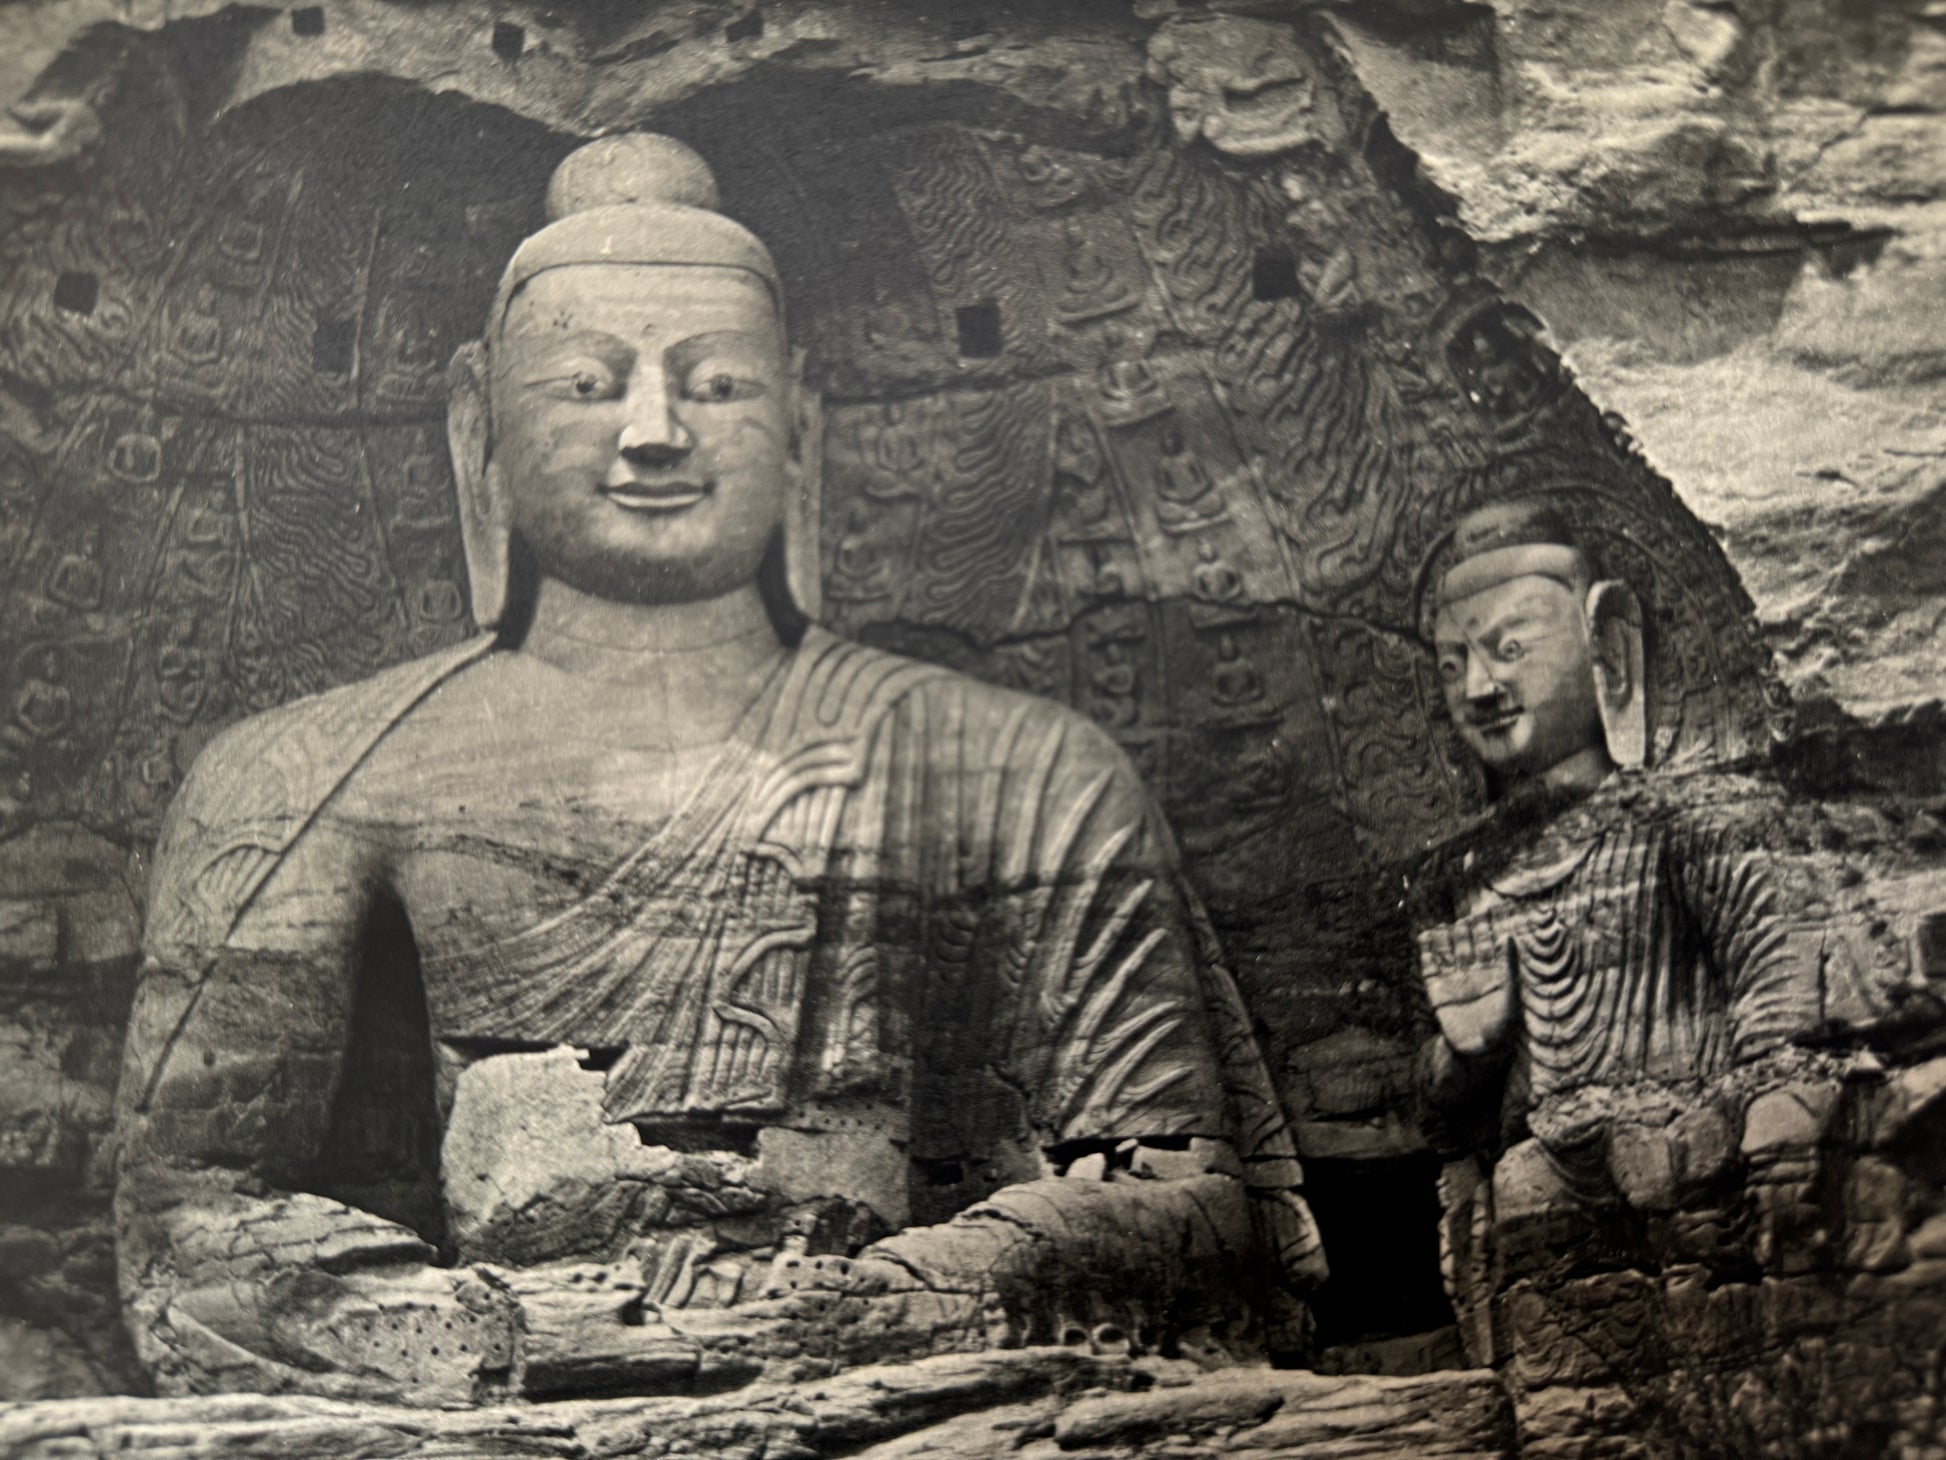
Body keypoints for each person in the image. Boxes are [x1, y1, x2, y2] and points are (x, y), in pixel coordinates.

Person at [112, 135, 1323, 1405]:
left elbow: (1190, 1207)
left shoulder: (1022, 766)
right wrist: (521, 1332)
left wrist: (875, 1305)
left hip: (899, 1385)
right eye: (586, 383)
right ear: (478, 425)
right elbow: (185, 1240)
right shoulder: (308, 773)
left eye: (719, 383)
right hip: (499, 1395)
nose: (653, 433)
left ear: (799, 423)